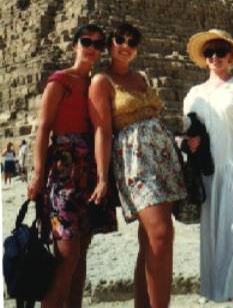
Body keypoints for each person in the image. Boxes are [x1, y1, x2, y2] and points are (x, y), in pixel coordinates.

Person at [88, 22, 186, 308]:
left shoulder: (142, 76)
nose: (126, 45)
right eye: (119, 39)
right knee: (161, 234)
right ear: (109, 44)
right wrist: (102, 178)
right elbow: (103, 130)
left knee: (149, 241)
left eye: (132, 41)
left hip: (164, 159)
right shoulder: (101, 82)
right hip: (134, 162)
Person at [28, 24, 116, 308]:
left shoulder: (95, 85)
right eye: (86, 41)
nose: (91, 48)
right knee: (68, 254)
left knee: (82, 253)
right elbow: (43, 129)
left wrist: (103, 176)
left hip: (88, 170)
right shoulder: (59, 81)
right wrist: (38, 174)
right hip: (63, 171)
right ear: (74, 45)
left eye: (98, 44)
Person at [184, 28, 233, 308]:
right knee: (219, 241)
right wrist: (189, 144)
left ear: (231, 55)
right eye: (210, 52)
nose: (215, 56)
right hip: (209, 177)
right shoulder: (194, 94)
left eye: (221, 51)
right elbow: (188, 134)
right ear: (204, 58)